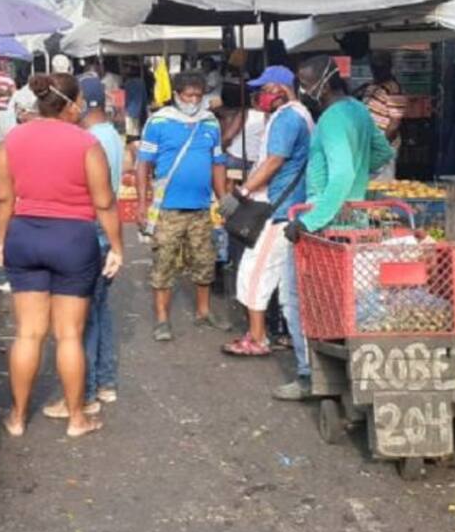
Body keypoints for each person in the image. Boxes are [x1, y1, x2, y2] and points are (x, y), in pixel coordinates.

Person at [0, 73, 123, 439]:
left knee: (28, 333)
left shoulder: (14, 137)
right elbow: (104, 202)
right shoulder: (86, 142)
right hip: (73, 240)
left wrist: (1, 240)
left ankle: (17, 417)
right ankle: (76, 419)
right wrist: (117, 246)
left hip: (24, 236)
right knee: (68, 335)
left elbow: (3, 197)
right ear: (70, 104)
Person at [276, 55, 396, 401]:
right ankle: (347, 371)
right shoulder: (358, 110)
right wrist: (357, 180)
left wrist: (309, 220)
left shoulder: (329, 120)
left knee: (297, 298)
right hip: (354, 217)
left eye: (305, 82)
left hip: (324, 224)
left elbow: (341, 173)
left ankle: (308, 375)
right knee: (350, 297)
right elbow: (382, 152)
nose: (303, 90)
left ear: (324, 83)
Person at [44, 76, 123, 417]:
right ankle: (104, 384)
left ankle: (84, 394)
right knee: (99, 313)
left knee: (82, 321)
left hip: (88, 233)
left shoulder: (88, 140)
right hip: (104, 234)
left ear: (81, 103)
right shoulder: (112, 136)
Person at [136, 71, 235, 341]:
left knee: (205, 262)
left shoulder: (210, 123)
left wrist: (222, 197)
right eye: (187, 95)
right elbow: (143, 164)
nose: (192, 101)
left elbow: (217, 164)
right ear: (176, 95)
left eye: (197, 96)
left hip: (201, 208)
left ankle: (203, 312)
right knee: (164, 264)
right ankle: (162, 319)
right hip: (167, 208)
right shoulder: (159, 122)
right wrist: (142, 204)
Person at [221, 66, 313, 357]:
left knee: (255, 272)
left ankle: (257, 337)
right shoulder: (303, 115)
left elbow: (273, 161)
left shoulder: (286, 118)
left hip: (277, 210)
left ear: (280, 90)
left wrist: (242, 192)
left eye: (263, 90)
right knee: (284, 281)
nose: (258, 96)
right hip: (291, 207)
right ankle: (288, 336)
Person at [358, 52, 404, 179]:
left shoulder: (393, 89)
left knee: (382, 184)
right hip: (369, 143)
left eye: (380, 67)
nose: (376, 70)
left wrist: (380, 144)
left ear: (389, 67)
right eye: (374, 67)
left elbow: (394, 124)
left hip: (383, 144)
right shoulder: (372, 86)